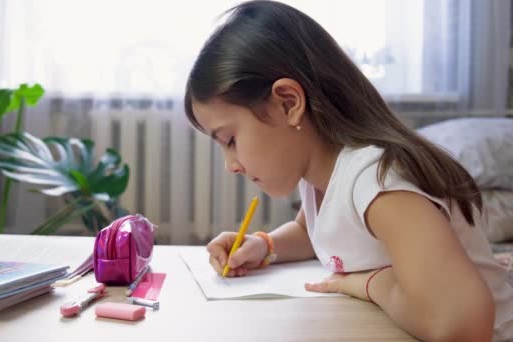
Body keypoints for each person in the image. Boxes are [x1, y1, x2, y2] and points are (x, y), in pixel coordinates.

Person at [183, 1, 513, 341]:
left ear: (288, 104)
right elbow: (319, 234)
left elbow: (460, 324)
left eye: (230, 140)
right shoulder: (321, 174)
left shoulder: (378, 181)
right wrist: (263, 246)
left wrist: (370, 283)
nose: (230, 165)